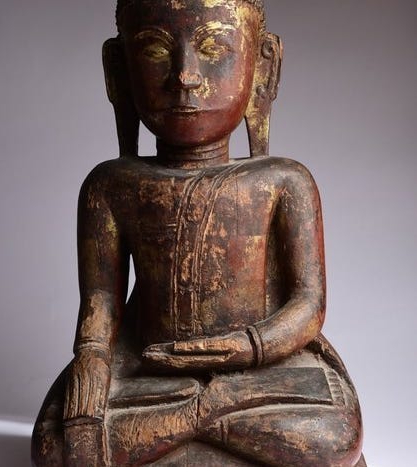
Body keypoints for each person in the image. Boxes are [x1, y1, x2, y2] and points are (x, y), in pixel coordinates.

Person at [32, 1, 365, 465]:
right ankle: (204, 418)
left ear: (263, 66)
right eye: (154, 50)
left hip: (260, 370)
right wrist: (91, 365)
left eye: (213, 48)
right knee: (57, 446)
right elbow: (102, 301)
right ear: (118, 69)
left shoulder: (283, 181)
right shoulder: (111, 185)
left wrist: (246, 348)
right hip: (150, 363)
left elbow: (308, 305)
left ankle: (183, 425)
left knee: (332, 436)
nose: (185, 76)